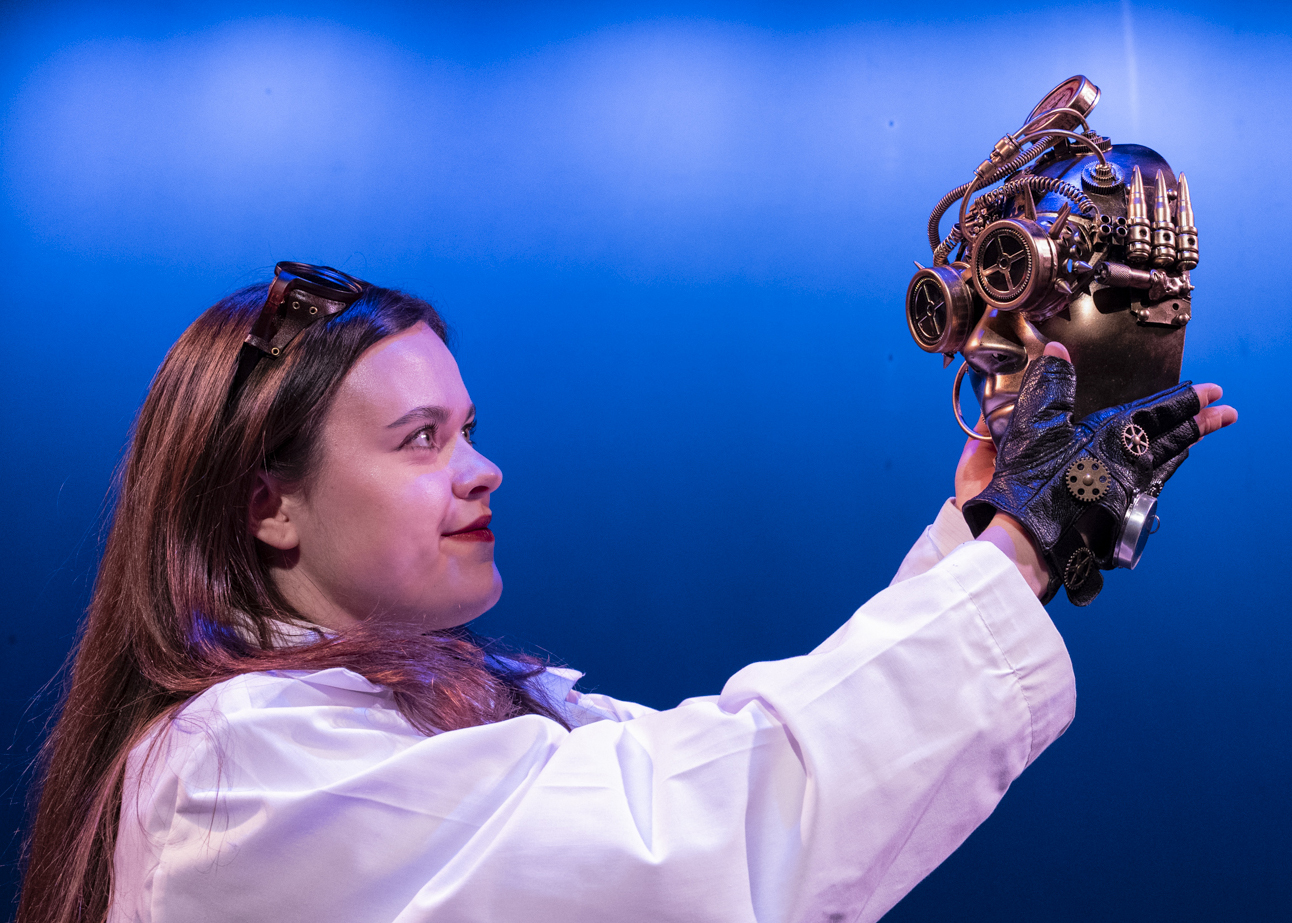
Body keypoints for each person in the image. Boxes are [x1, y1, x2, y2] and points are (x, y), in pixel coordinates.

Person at [17, 265, 1235, 923]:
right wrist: (1018, 546)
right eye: (418, 438)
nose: (482, 466)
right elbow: (692, 844)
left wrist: (982, 537)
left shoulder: (415, 715)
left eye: (470, 426)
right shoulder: (242, 767)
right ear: (265, 503)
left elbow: (736, 765)